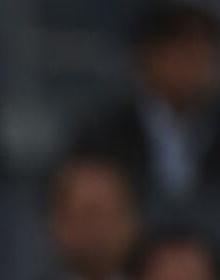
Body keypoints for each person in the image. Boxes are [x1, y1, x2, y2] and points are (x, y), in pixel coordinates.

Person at [72, 2, 220, 199]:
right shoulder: (103, 134)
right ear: (148, 56)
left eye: (203, 48)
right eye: (181, 49)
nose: (195, 62)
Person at [9, 153, 142, 280]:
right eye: (86, 215)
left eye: (106, 215)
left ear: (132, 222)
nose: (97, 230)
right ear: (54, 225)